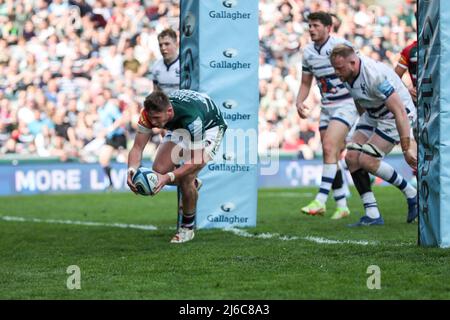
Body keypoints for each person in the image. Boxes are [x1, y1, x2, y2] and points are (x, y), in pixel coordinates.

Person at [329, 44, 418, 226]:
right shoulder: (347, 72)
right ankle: (372, 214)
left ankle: (412, 194)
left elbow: (400, 111)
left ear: (353, 63)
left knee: (367, 160)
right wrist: (360, 127)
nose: (337, 72)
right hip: (373, 113)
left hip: (395, 115)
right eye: (335, 68)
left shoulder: (374, 75)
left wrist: (406, 147)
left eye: (339, 68)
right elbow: (358, 97)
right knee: (352, 157)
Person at [127, 89, 227, 243]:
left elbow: (197, 160)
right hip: (179, 126)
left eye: (156, 118)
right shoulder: (148, 114)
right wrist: (131, 169)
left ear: (168, 111)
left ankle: (187, 228)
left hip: (209, 126)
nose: (153, 123)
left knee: (187, 176)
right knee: (158, 170)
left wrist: (168, 177)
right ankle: (191, 184)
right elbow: (137, 148)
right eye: (151, 118)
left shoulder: (192, 119)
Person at [296, 12, 358, 219]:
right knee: (330, 153)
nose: (311, 29)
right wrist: (299, 101)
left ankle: (321, 200)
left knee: (331, 148)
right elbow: (306, 82)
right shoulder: (308, 53)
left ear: (328, 28)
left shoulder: (341, 46)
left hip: (347, 104)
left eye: (315, 25)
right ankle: (342, 205)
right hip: (327, 106)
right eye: (309, 26)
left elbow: (358, 71)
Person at [150, 28, 180, 95]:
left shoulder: (184, 65)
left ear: (176, 44)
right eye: (160, 45)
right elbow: (156, 93)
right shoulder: (156, 66)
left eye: (167, 44)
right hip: (164, 104)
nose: (163, 48)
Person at [394, 40, 417, 104]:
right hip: (419, 100)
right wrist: (407, 91)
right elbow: (394, 78)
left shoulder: (444, 46)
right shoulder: (409, 50)